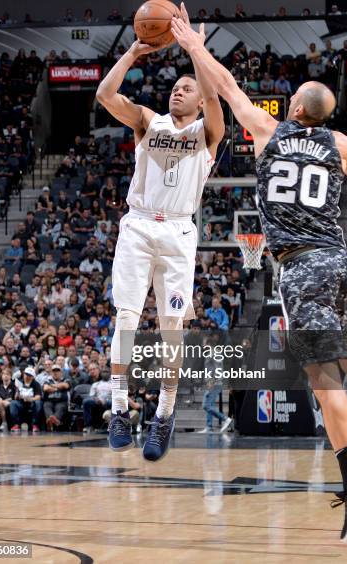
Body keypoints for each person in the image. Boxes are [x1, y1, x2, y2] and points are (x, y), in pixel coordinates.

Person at [171, 6, 347, 542]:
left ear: (295, 108)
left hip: (301, 267)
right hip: (342, 263)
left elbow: (227, 83)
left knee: (323, 378)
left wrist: (193, 44)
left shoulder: (267, 130)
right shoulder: (341, 147)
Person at [96, 27, 224, 460]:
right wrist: (133, 50)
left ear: (199, 99)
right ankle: (118, 410)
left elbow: (214, 99)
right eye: (174, 86)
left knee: (172, 330)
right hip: (137, 226)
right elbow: (105, 94)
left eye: (187, 88)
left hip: (178, 232)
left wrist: (196, 53)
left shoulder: (208, 132)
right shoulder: (148, 121)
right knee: (126, 320)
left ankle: (163, 417)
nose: (178, 91)